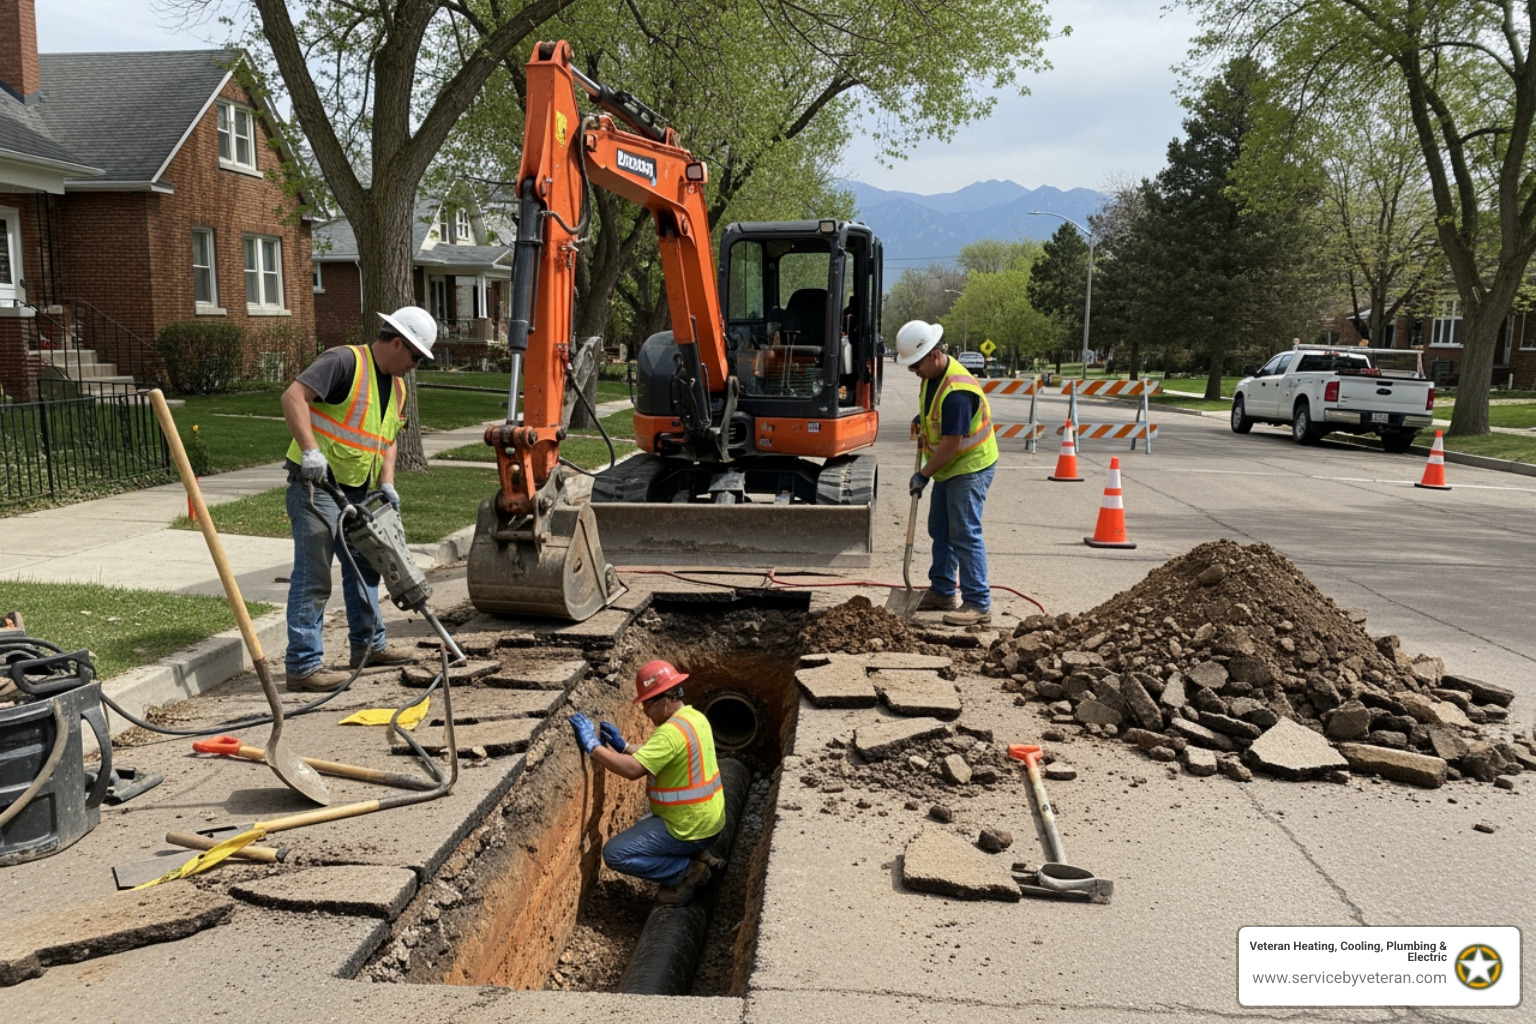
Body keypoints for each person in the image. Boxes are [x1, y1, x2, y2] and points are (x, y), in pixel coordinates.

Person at [277, 307, 436, 691]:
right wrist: (311, 450)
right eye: (416, 356)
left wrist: (387, 483)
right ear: (397, 343)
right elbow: (293, 396)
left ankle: (369, 646)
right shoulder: (345, 361)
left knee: (367, 568)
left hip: (360, 491)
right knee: (314, 574)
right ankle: (303, 666)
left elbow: (390, 437)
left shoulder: (397, 386)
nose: (416, 365)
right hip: (316, 487)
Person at [568, 660, 725, 906]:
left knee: (615, 853)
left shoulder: (670, 733)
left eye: (647, 704)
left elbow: (633, 770)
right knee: (643, 824)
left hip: (688, 829)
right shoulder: (694, 718)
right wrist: (625, 747)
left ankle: (686, 873)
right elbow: (664, 753)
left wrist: (594, 747)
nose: (645, 712)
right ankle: (702, 857)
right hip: (707, 823)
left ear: (664, 699)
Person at [894, 319, 999, 627]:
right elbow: (935, 412)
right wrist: (923, 415)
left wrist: (923, 474)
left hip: (969, 465)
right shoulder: (933, 375)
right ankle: (942, 591)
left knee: (964, 533)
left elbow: (952, 445)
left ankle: (978, 602)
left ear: (934, 354)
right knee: (940, 528)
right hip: (949, 467)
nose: (914, 372)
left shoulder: (958, 392)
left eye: (916, 365)